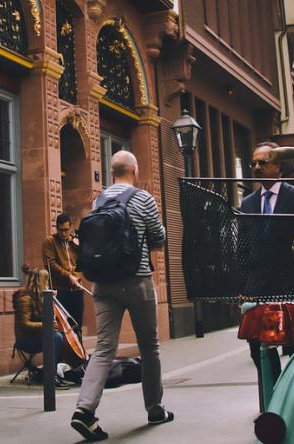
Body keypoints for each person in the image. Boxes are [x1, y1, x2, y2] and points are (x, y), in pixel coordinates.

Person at [70, 150, 171, 442]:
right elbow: (159, 239)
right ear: (135, 170)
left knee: (103, 348)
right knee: (149, 347)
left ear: (111, 171)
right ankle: (154, 408)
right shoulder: (143, 198)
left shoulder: (98, 201)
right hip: (136, 282)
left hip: (102, 285)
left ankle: (84, 410)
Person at [238, 142, 294, 405]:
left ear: (279, 167)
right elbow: (243, 245)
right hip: (258, 285)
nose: (257, 168)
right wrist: (241, 284)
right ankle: (270, 401)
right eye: (254, 163)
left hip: (293, 279)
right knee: (257, 345)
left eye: (264, 162)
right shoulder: (247, 203)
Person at [13, 266, 67, 385]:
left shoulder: (40, 298)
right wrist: (46, 325)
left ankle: (52, 371)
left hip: (38, 336)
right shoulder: (25, 299)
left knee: (60, 335)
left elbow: (49, 318)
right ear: (41, 282)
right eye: (47, 281)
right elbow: (25, 325)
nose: (48, 284)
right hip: (26, 340)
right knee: (56, 338)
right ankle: (50, 376)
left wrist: (50, 301)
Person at [43, 213, 84, 330]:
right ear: (56, 228)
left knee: (77, 326)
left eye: (66, 230)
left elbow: (82, 263)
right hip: (60, 290)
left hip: (76, 289)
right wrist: (68, 276)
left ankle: (78, 348)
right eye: (61, 230)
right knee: (63, 327)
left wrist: (80, 246)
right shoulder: (50, 242)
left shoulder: (74, 242)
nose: (64, 233)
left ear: (71, 227)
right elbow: (50, 264)